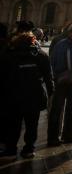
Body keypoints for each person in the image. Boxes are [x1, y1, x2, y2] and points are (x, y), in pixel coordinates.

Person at [2, 31, 53, 159]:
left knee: (13, 123)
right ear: (33, 41)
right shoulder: (40, 55)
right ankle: (29, 149)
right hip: (34, 95)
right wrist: (51, 93)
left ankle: (11, 150)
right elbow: (48, 76)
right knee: (32, 124)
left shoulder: (9, 55)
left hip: (13, 95)